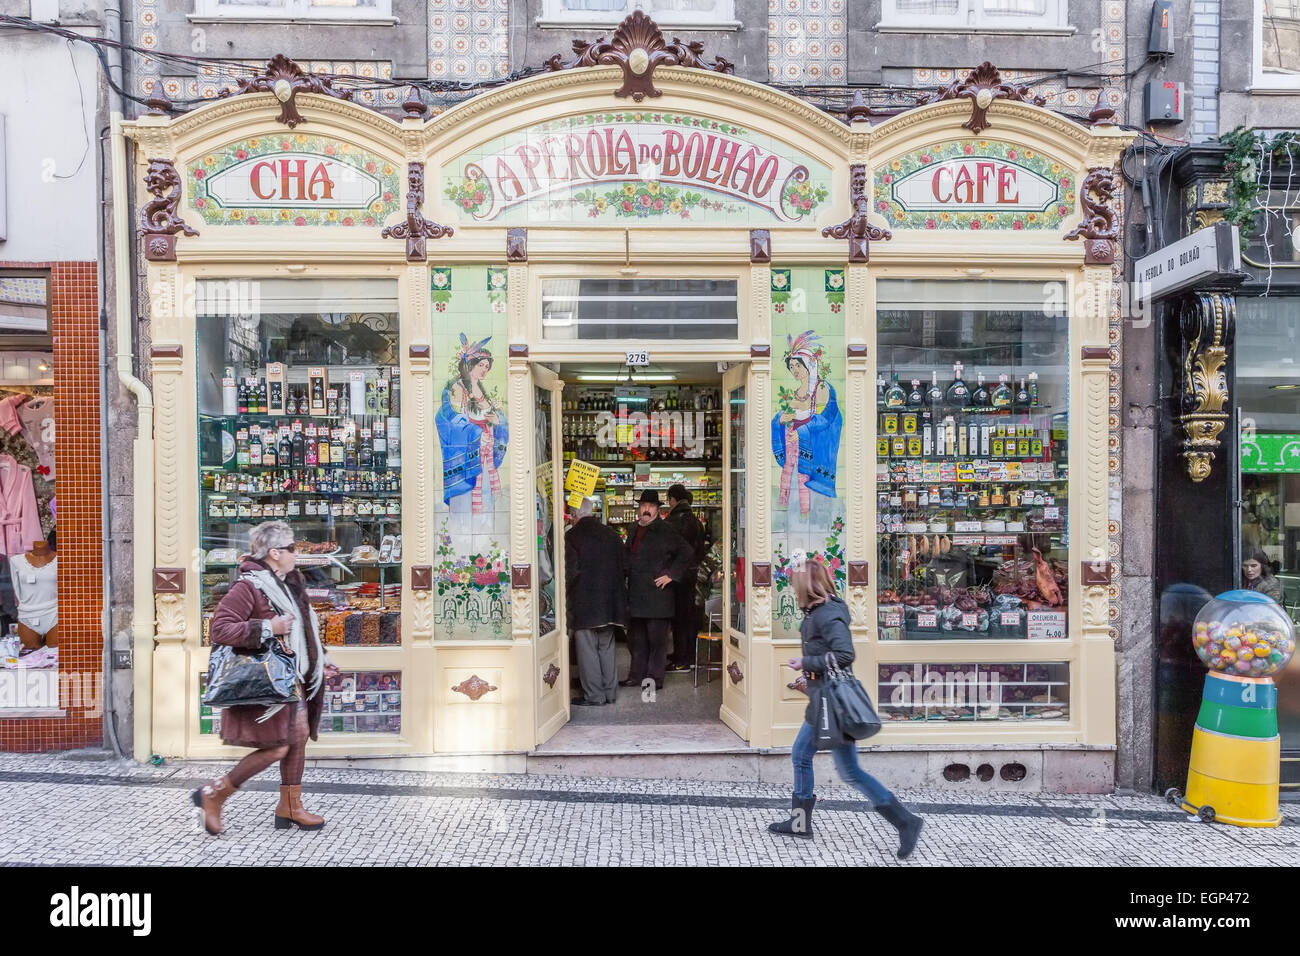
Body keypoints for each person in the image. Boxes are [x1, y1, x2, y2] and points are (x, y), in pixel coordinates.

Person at [768, 554, 924, 859]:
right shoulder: (816, 611)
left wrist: (807, 662)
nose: (792, 588)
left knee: (850, 772)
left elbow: (845, 654)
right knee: (801, 754)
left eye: (795, 583)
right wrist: (809, 674)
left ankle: (905, 821)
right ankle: (800, 823)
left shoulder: (827, 614)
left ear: (807, 585)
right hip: (822, 699)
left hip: (833, 704)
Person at [193, 520, 339, 836]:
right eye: (291, 548)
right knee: (277, 746)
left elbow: (303, 628)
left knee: (297, 738)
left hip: (291, 678)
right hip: (265, 682)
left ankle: (290, 806)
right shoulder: (249, 586)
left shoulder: (290, 583)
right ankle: (215, 794)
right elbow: (220, 629)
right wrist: (268, 628)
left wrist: (319, 660)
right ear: (274, 552)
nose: (295, 553)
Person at [621, 490, 691, 691]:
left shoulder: (665, 529)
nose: (646, 509)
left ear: (658, 510)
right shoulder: (634, 528)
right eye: (643, 505)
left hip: (658, 596)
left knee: (657, 642)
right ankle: (636, 675)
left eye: (651, 506)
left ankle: (654, 678)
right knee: (637, 640)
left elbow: (686, 552)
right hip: (636, 594)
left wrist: (671, 575)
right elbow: (628, 556)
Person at [565, 497, 628, 706]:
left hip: (586, 603)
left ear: (574, 516)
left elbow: (570, 572)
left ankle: (594, 696)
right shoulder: (612, 535)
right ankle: (610, 693)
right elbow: (625, 568)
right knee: (607, 647)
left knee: (587, 650)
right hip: (611, 604)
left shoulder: (572, 537)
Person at [664, 483, 704, 671]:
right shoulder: (695, 520)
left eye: (668, 500)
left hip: (678, 577)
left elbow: (668, 550)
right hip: (692, 574)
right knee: (687, 617)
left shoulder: (674, 521)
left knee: (679, 618)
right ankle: (685, 654)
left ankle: (682, 659)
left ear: (672, 499)